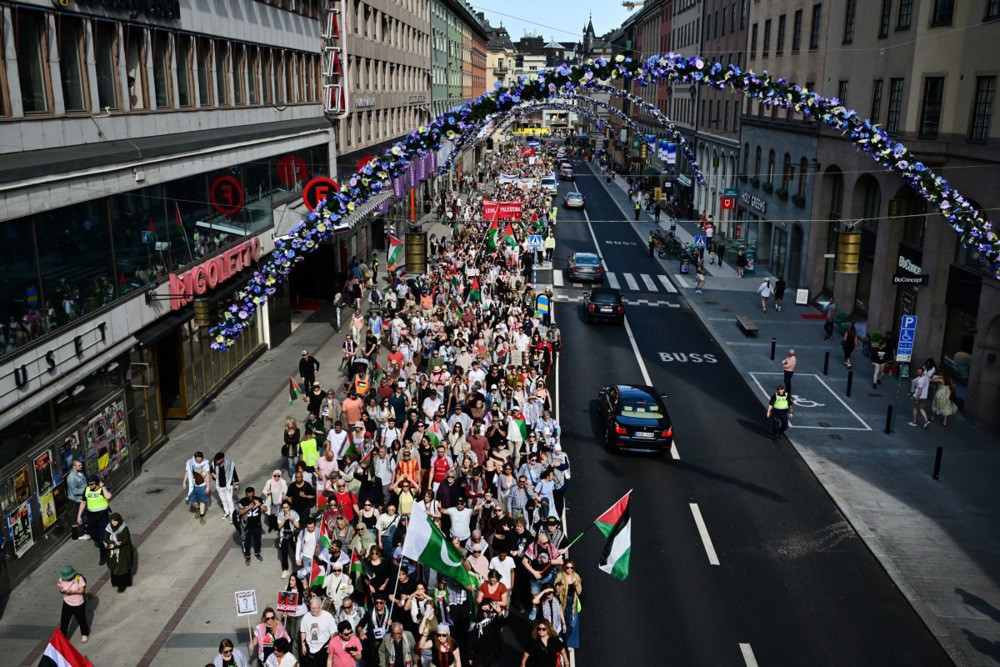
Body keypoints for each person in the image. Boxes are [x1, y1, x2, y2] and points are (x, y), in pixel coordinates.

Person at [77, 474, 112, 565]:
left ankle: (103, 555)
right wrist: (79, 516)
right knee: (93, 536)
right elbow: (83, 503)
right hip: (91, 517)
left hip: (102, 516)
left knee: (100, 539)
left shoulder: (102, 489)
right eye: (88, 484)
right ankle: (105, 544)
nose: (90, 486)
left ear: (97, 483)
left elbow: (108, 497)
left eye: (92, 484)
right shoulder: (87, 490)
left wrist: (103, 486)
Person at [555, 561, 582, 656]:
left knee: (572, 622)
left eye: (572, 568)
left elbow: (579, 593)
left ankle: (570, 642)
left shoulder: (576, 576)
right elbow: (557, 593)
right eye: (567, 567)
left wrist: (576, 585)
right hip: (562, 602)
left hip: (572, 602)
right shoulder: (559, 576)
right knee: (562, 619)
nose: (570, 569)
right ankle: (561, 634)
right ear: (564, 568)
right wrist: (561, 585)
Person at [301, 597, 338, 667]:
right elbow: (303, 631)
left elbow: (333, 634)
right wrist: (303, 645)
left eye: (315, 608)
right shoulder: (306, 617)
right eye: (312, 608)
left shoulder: (328, 617)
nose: (313, 610)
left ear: (320, 606)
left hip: (324, 649)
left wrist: (332, 649)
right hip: (310, 648)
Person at [57, 565, 89, 643]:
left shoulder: (78, 578)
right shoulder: (62, 578)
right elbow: (60, 588)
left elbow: (82, 591)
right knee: (64, 621)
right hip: (67, 603)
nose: (66, 579)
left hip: (78, 603)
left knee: (81, 620)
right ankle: (63, 638)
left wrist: (73, 592)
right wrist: (62, 591)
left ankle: (84, 634)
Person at [103, 512, 133, 592]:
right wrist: (112, 543)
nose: (113, 523)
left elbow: (125, 540)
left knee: (121, 568)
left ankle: (122, 585)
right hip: (112, 552)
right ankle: (116, 582)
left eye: (115, 521)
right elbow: (105, 537)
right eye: (112, 521)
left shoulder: (123, 528)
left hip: (123, 552)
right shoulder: (108, 528)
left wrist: (116, 545)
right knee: (114, 566)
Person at [237, 486, 264, 565]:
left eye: (252, 495)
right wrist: (248, 508)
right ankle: (247, 556)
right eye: (249, 496)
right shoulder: (242, 501)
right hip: (246, 526)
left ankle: (257, 553)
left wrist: (260, 505)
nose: (250, 497)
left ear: (254, 493)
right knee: (247, 541)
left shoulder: (259, 499)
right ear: (246, 495)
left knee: (257, 541)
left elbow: (266, 509)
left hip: (257, 525)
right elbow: (239, 512)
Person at [183, 450, 211, 524]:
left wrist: (208, 487)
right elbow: (187, 472)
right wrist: (184, 482)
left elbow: (207, 475)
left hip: (202, 485)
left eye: (201, 459)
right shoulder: (190, 462)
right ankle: (198, 508)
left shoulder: (205, 463)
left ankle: (201, 516)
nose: (199, 461)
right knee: (191, 500)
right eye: (198, 459)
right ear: (194, 458)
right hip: (193, 485)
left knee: (202, 500)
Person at [211, 452, 240, 520]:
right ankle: (226, 512)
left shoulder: (230, 463)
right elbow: (211, 471)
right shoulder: (214, 464)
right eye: (216, 460)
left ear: (222, 459)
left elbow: (234, 473)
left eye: (217, 460)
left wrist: (237, 483)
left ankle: (232, 515)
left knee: (229, 500)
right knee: (223, 500)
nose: (216, 462)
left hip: (228, 485)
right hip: (219, 485)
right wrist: (213, 475)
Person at [67, 459, 88, 540]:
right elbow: (75, 491)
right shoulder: (71, 478)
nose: (81, 466)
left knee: (85, 515)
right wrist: (86, 490)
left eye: (81, 465)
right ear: (73, 467)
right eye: (79, 465)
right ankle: (81, 534)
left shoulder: (80, 472)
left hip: (83, 497)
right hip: (78, 500)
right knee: (82, 517)